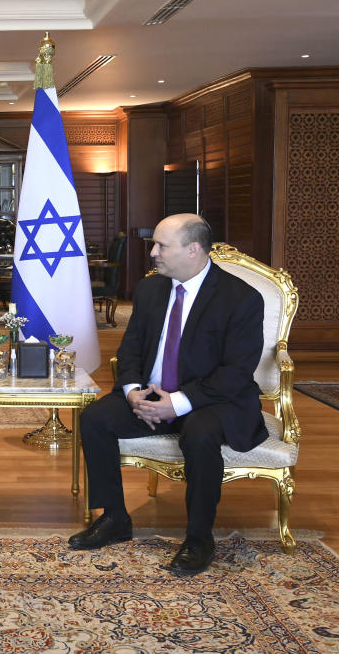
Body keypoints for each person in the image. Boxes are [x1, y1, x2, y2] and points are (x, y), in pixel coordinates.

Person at [68, 213, 267, 575]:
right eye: (154, 245)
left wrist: (174, 403)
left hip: (213, 401)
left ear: (193, 250)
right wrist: (132, 394)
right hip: (150, 393)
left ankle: (198, 539)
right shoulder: (150, 289)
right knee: (95, 418)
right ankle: (114, 518)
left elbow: (236, 373)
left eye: (162, 246)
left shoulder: (241, 299)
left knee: (201, 433)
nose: (153, 253)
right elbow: (129, 351)